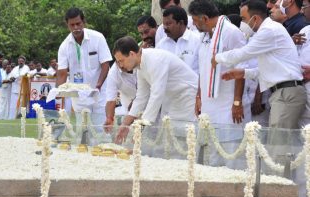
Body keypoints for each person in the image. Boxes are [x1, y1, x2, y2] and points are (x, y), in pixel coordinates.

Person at [215, 0, 305, 129]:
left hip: (286, 94)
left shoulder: (268, 30)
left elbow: (243, 53)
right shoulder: (270, 30)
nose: (242, 23)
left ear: (255, 18)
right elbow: (270, 68)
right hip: (284, 92)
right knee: (278, 143)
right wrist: (244, 73)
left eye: (243, 19)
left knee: (278, 144)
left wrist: (216, 58)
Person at [113, 36, 198, 144]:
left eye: (121, 61)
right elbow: (141, 97)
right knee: (169, 135)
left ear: (131, 54)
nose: (120, 65)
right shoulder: (140, 66)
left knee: (185, 135)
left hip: (187, 95)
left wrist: (140, 127)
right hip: (171, 98)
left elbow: (156, 95)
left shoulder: (155, 60)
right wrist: (125, 123)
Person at [57, 7, 112, 128]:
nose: (76, 28)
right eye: (72, 25)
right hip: (79, 96)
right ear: (67, 25)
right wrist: (57, 90)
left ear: (84, 22)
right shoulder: (64, 46)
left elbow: (105, 65)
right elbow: (62, 73)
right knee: (82, 130)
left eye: (78, 23)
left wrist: (98, 85)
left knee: (100, 129)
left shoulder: (97, 38)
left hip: (99, 93)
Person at [156, 6, 200, 74]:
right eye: (164, 24)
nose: (165, 27)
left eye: (168, 24)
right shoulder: (161, 45)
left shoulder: (197, 41)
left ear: (181, 23)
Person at [104, 63, 137, 133]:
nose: (121, 65)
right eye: (118, 61)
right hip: (128, 105)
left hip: (151, 101)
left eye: (122, 60)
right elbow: (111, 99)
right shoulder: (113, 72)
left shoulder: (142, 63)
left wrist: (137, 102)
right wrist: (109, 118)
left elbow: (149, 90)